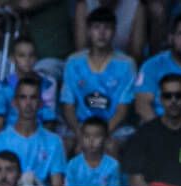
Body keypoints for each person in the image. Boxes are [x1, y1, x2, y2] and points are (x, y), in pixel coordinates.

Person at [59, 7, 137, 154]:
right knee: (63, 145)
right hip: (80, 127)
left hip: (113, 128)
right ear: (88, 31)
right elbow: (68, 106)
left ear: (114, 31)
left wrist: (99, 136)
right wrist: (81, 135)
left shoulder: (126, 64)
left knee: (110, 147)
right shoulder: (74, 62)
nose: (101, 33)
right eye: (96, 28)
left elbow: (122, 110)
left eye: (107, 28)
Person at [0, 76, 67, 186]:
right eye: (23, 97)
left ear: (40, 103)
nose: (28, 103)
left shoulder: (54, 142)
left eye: (33, 98)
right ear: (15, 102)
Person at [0, 36, 59, 133]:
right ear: (12, 58)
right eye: (22, 55)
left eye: (31, 55)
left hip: (39, 137)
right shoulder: (3, 86)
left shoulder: (47, 84)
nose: (27, 60)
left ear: (36, 58)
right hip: (10, 138)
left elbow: (49, 121)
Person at [66, 117, 122, 186]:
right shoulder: (73, 164)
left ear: (106, 139)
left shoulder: (113, 165)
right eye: (87, 136)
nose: (91, 141)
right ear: (81, 138)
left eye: (97, 136)